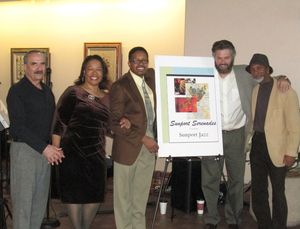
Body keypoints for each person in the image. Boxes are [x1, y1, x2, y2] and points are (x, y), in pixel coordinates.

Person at [201, 40, 290, 229]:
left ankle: (234, 219)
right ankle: (211, 219)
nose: (223, 61)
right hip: (211, 135)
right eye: (219, 57)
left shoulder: (245, 73)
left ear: (233, 57)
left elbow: (267, 78)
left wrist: (284, 78)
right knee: (209, 180)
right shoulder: (203, 73)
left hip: (237, 135)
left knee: (236, 180)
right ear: (214, 58)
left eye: (227, 57)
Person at [52, 55, 119, 229]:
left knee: (95, 196)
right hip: (71, 154)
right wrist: (55, 150)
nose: (94, 73)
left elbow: (110, 127)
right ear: (84, 71)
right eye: (90, 68)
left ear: (103, 73)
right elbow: (59, 123)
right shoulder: (73, 92)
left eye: (99, 69)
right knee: (74, 196)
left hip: (96, 156)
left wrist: (123, 123)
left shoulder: (107, 98)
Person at [6, 50, 64, 229]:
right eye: (34, 64)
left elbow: (53, 122)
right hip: (24, 152)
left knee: (39, 205)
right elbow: (17, 127)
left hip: (44, 153)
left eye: (42, 64)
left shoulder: (47, 91)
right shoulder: (17, 91)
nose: (39, 68)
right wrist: (45, 148)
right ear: (25, 67)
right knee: (24, 206)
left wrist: (54, 147)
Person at [247, 53, 300, 229]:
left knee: (278, 192)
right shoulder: (255, 90)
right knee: (258, 191)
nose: (255, 72)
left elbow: (295, 126)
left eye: (259, 68)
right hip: (258, 144)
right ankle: (265, 225)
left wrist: (291, 152)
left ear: (268, 70)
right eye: (253, 69)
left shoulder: (286, 91)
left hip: (278, 148)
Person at [110, 46, 159, 229]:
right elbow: (114, 122)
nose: (141, 64)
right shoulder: (120, 86)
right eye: (136, 60)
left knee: (140, 198)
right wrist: (142, 138)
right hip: (128, 147)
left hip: (149, 147)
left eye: (144, 60)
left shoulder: (151, 81)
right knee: (123, 200)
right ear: (129, 63)